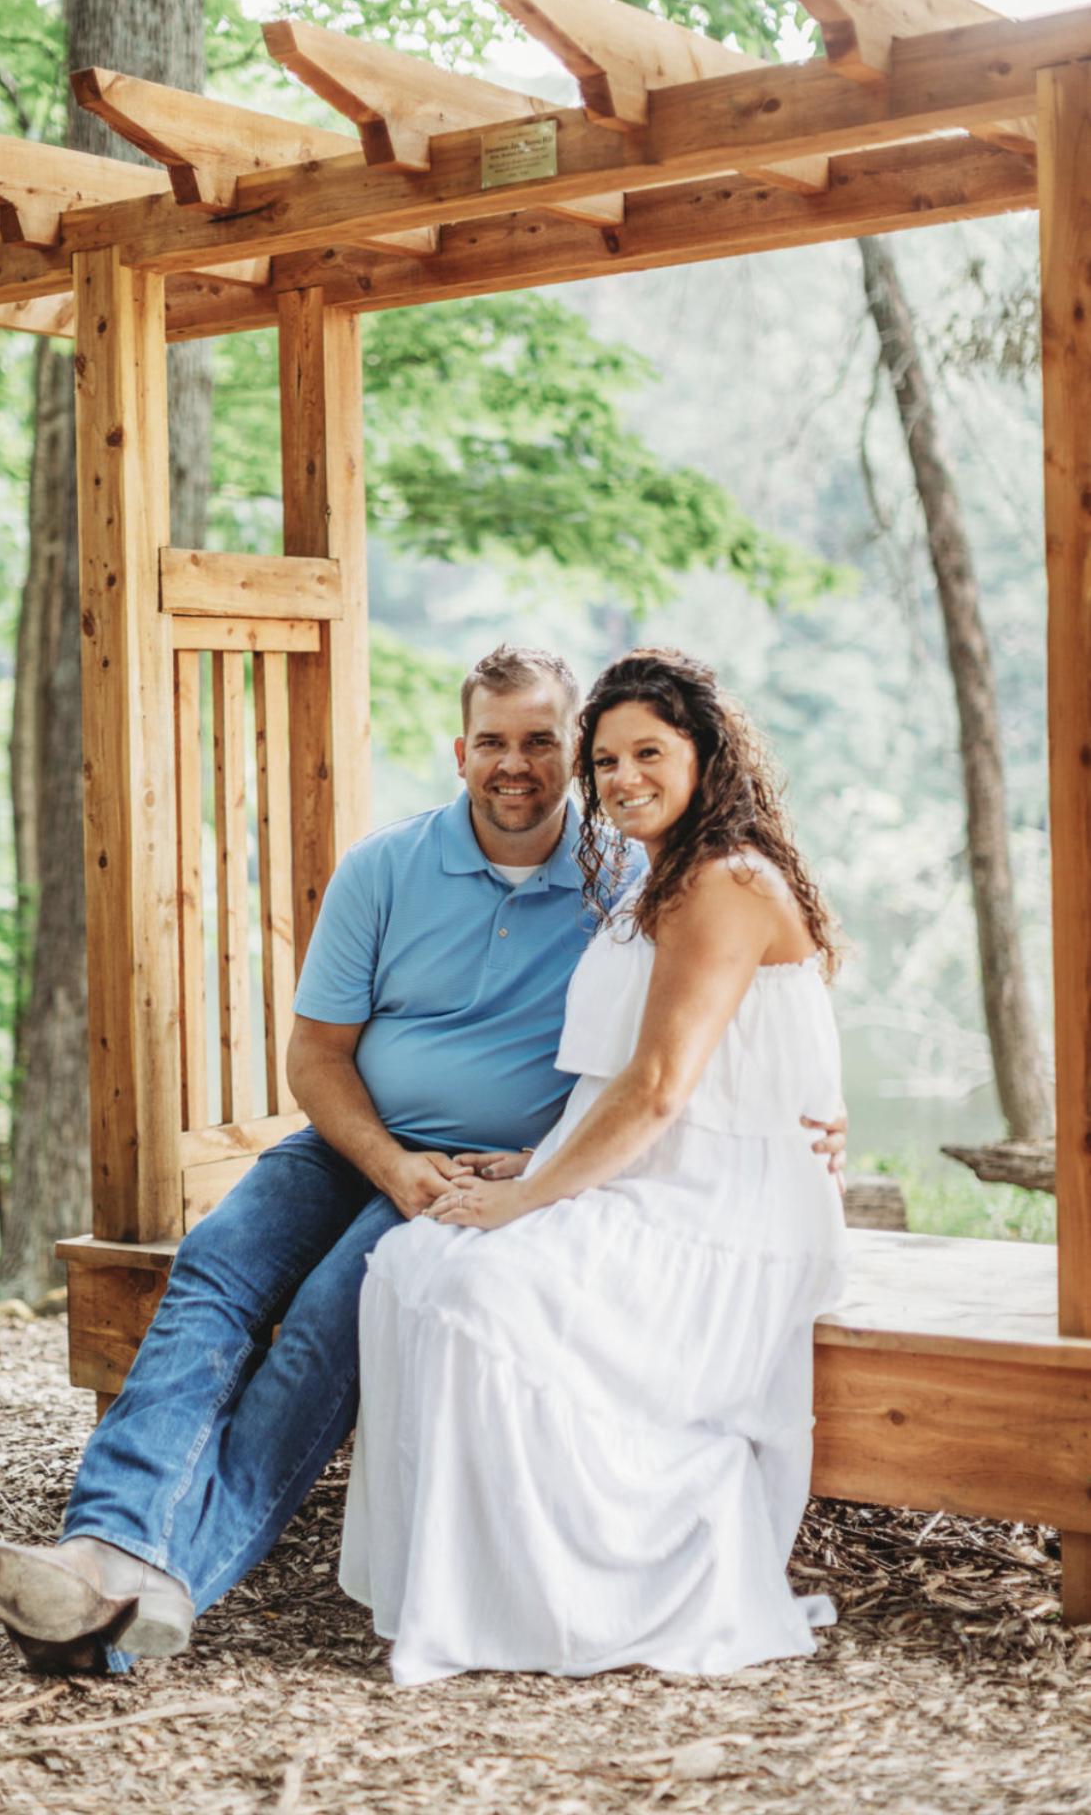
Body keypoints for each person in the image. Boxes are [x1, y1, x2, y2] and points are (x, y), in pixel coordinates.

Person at [0, 645, 845, 1673]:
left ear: (570, 754)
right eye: (492, 742)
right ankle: (103, 1543)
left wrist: (809, 1113)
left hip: (485, 1166)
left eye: (545, 742)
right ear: (459, 750)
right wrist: (386, 1162)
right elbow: (316, 1055)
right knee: (216, 1267)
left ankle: (143, 1597)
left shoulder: (626, 873)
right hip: (355, 1143)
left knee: (335, 1316)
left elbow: (757, 982)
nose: (518, 764)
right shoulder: (386, 869)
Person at [340, 648, 848, 1684]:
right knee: (409, 1265)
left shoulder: (728, 882)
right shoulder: (652, 877)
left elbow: (663, 1087)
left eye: (648, 754)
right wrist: (534, 1160)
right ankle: (471, 1589)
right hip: (650, 1176)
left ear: (706, 755)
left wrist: (531, 1197)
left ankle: (567, 1600)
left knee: (484, 1290)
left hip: (726, 1211)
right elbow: (648, 1082)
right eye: (605, 761)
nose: (621, 780)